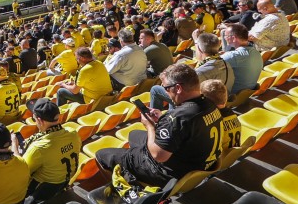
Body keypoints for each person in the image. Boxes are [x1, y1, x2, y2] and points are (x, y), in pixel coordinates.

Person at [95, 63, 224, 189]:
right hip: (196, 163)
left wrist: (150, 126)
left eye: (167, 88)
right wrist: (162, 120)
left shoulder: (177, 117)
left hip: (168, 173)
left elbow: (159, 156)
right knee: (133, 134)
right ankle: (135, 160)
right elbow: (185, 129)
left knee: (101, 154)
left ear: (178, 88)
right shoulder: (210, 103)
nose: (166, 92)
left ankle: (128, 186)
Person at [18, 100, 82, 201]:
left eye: (34, 119)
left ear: (40, 121)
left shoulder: (39, 148)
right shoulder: (73, 133)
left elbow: (20, 172)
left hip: (41, 190)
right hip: (64, 182)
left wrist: (14, 145)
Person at [221, 23, 264, 95]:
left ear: (234, 38)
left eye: (226, 36)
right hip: (246, 93)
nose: (225, 38)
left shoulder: (233, 56)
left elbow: (204, 65)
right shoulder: (256, 52)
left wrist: (197, 41)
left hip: (231, 95)